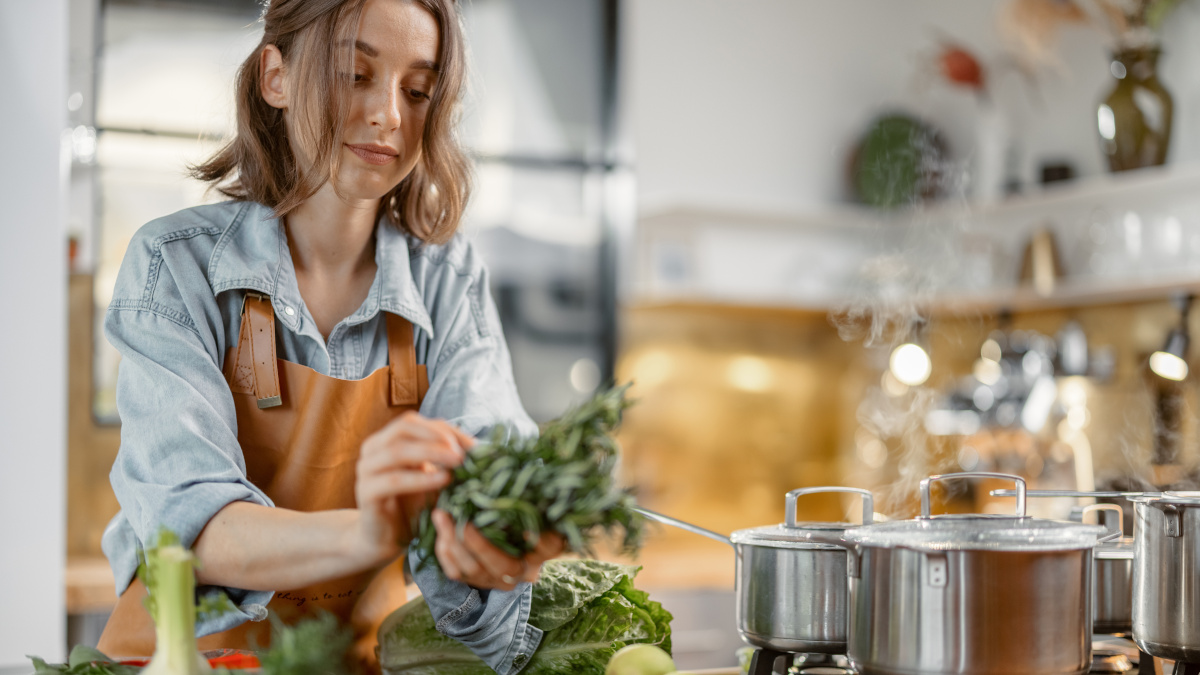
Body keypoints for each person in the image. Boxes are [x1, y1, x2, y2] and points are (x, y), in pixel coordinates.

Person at [95, 1, 562, 672]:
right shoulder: (175, 266)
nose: (389, 116)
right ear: (274, 78)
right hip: (182, 660)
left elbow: (493, 458)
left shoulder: (447, 277)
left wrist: (505, 526)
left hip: (345, 662)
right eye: (355, 73)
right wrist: (373, 530)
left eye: (418, 90)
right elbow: (189, 523)